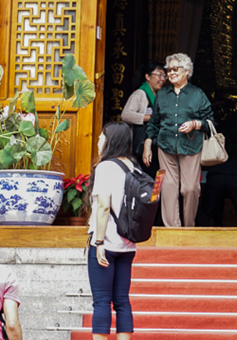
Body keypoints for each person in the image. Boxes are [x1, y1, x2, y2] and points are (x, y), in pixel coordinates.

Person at [143, 52, 215, 227]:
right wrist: (147, 143)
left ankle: (188, 227)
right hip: (165, 146)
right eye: (169, 70)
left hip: (191, 145)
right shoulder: (162, 94)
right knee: (167, 187)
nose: (171, 73)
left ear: (187, 71)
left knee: (190, 189)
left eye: (176, 69)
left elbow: (210, 122)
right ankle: (172, 229)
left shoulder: (197, 94)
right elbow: (154, 121)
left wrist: (195, 124)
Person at [88, 123, 137, 340]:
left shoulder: (105, 167)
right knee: (122, 300)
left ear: (111, 141)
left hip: (106, 242)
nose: (99, 141)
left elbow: (103, 206)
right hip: (127, 242)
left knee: (101, 300)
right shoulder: (134, 168)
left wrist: (99, 243)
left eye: (101, 137)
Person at [120, 61, 166, 176]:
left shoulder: (157, 95)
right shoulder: (140, 94)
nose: (162, 79)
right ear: (148, 76)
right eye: (159, 75)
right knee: (147, 177)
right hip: (142, 147)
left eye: (164, 76)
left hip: (155, 145)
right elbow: (126, 115)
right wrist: (151, 118)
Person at [196, 158, 237, 227]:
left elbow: (206, 206)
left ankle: (203, 232)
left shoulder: (217, 167)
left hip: (215, 177)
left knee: (206, 214)